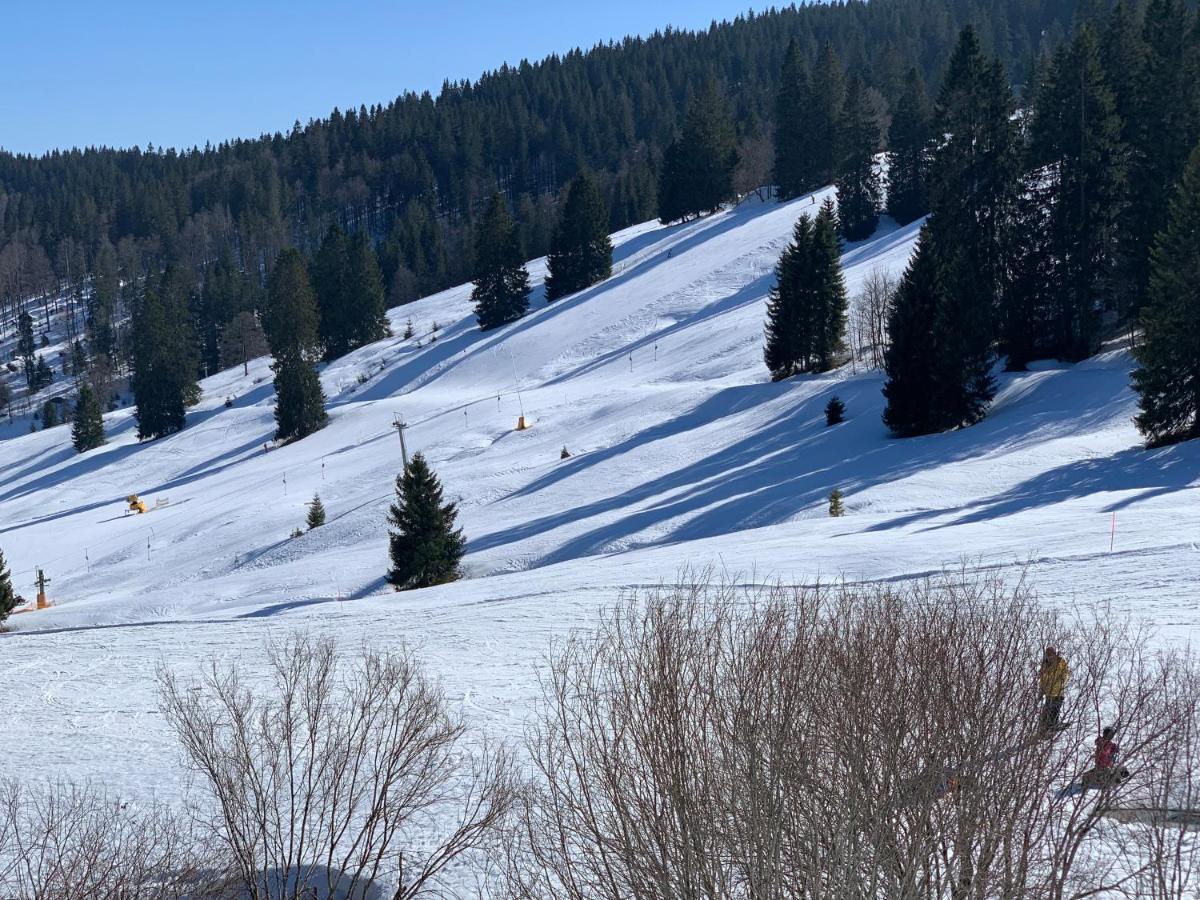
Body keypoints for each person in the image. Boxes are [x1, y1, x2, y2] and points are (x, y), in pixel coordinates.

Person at [1039, 646, 1070, 732]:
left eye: (1051, 655)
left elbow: (1066, 673)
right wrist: (1041, 691)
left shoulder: (1061, 662)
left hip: (1058, 693)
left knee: (1054, 711)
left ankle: (1053, 727)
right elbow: (1042, 679)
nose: (1049, 657)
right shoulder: (1044, 664)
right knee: (1047, 711)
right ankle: (1045, 728)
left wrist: (1062, 679)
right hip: (1048, 693)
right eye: (1048, 655)